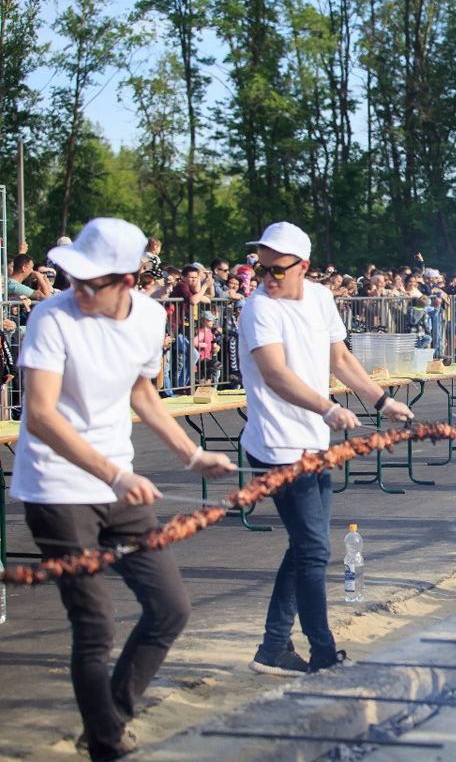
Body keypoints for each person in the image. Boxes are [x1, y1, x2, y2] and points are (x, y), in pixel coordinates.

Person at [14, 218, 235, 761]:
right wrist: (114, 475)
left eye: (91, 283)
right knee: (95, 625)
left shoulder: (151, 317)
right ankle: (108, 746)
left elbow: (143, 395)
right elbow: (40, 415)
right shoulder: (51, 317)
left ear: (129, 280)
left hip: (118, 479)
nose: (78, 291)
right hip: (57, 486)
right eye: (74, 280)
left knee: (169, 608)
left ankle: (109, 715)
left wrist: (191, 454)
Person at [239, 221, 415, 677]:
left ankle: (274, 647)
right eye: (261, 268)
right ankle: (323, 652)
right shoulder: (258, 310)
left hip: (313, 441)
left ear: (304, 267)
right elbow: (275, 374)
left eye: (278, 269)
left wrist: (381, 400)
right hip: (277, 445)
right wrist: (327, 407)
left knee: (305, 546)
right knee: (314, 549)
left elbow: (341, 359)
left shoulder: (319, 299)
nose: (268, 278)